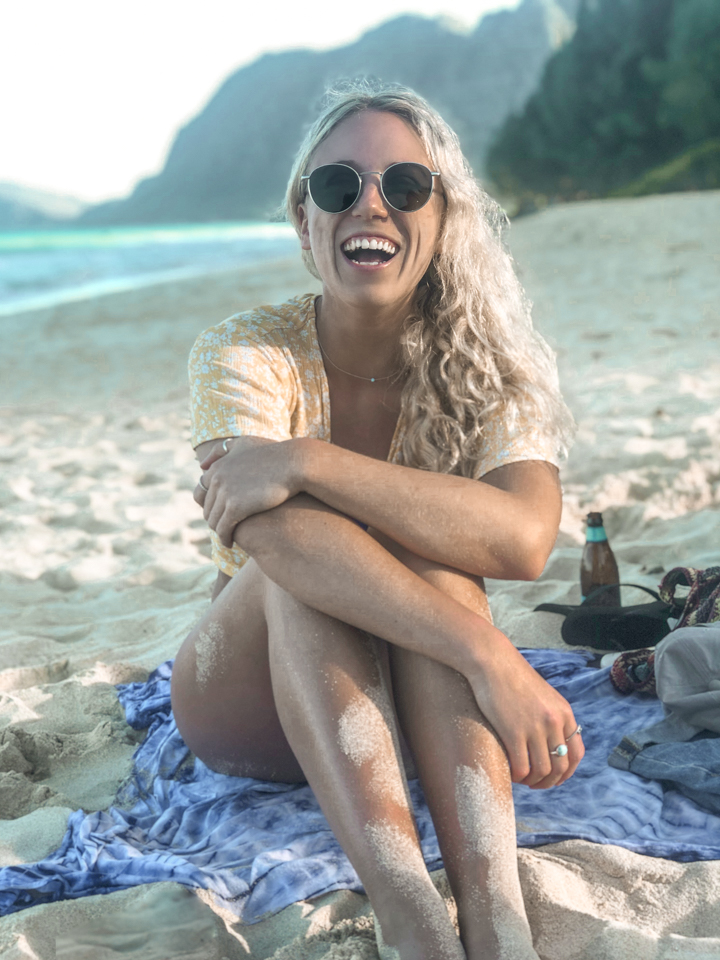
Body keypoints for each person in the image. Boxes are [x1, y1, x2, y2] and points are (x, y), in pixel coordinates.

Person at [170, 81, 583, 960]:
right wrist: (490, 655)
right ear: (302, 216)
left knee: (439, 559)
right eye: (337, 186)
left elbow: (521, 540)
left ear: (442, 216)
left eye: (404, 186)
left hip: (424, 704)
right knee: (304, 561)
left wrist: (307, 461)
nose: (370, 205)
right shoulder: (243, 348)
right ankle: (412, 918)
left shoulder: (491, 368)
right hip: (256, 699)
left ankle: (497, 918)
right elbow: (266, 532)